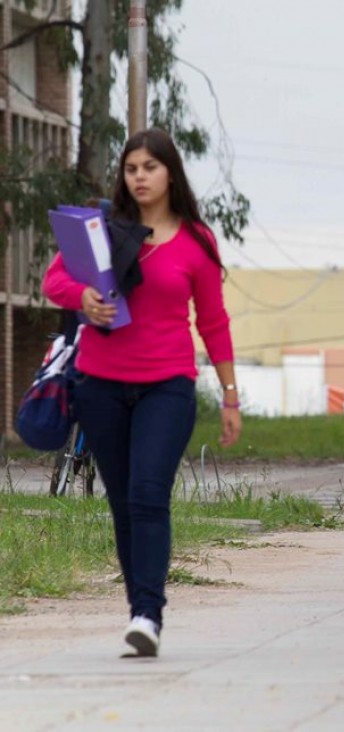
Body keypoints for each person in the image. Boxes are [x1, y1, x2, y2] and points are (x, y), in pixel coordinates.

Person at [42, 128, 242, 657]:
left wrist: (230, 396)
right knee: (125, 504)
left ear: (170, 172)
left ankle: (148, 615)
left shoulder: (197, 240)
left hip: (167, 386)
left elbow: (215, 322)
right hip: (100, 385)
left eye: (150, 167)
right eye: (132, 168)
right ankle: (140, 610)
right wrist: (84, 295)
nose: (140, 176)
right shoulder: (105, 229)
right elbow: (53, 280)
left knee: (149, 495)